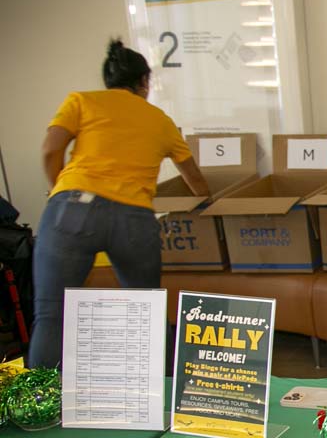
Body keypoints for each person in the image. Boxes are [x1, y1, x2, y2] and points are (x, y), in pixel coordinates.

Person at [30, 39, 210, 368]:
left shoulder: (82, 101)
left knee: (52, 313)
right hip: (134, 218)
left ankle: (35, 408)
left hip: (74, 207)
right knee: (146, 313)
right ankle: (154, 402)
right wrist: (206, 200)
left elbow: (49, 149)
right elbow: (195, 179)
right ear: (144, 82)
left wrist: (61, 189)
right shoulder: (160, 120)